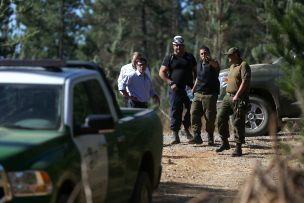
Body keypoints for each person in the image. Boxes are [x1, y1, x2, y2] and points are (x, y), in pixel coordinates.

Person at [159, 35, 197, 144]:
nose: (178, 48)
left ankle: (186, 128)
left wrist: (195, 84)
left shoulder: (190, 57)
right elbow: (161, 72)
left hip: (190, 89)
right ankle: (175, 134)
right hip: (175, 88)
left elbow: (196, 71)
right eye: (176, 46)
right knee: (176, 110)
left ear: (183, 46)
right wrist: (170, 82)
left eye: (180, 46)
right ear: (173, 46)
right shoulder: (169, 58)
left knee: (192, 109)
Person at [216, 47, 251, 156]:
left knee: (238, 122)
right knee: (221, 117)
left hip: (239, 98)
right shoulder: (232, 66)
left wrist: (237, 95)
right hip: (228, 97)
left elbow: (245, 82)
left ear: (236, 55)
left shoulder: (244, 65)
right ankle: (225, 142)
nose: (228, 57)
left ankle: (238, 148)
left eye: (230, 55)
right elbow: (232, 79)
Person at [188, 45, 220, 145]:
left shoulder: (213, 63)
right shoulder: (198, 65)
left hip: (209, 95)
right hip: (198, 94)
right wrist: (193, 89)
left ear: (209, 53)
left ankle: (210, 136)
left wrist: (210, 60)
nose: (203, 55)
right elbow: (198, 77)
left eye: (205, 53)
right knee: (194, 113)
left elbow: (216, 66)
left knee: (209, 117)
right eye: (201, 53)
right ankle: (197, 136)